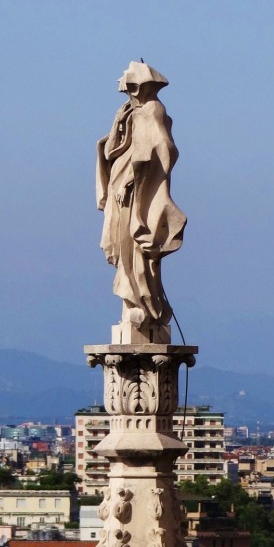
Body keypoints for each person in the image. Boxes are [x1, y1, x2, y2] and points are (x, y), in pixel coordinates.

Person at [97, 61, 186, 341]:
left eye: (131, 88)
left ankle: (144, 306)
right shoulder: (128, 112)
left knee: (136, 247)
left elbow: (163, 148)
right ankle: (133, 303)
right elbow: (112, 149)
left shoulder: (154, 110)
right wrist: (119, 123)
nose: (128, 95)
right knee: (123, 245)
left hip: (136, 190)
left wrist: (134, 178)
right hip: (121, 189)